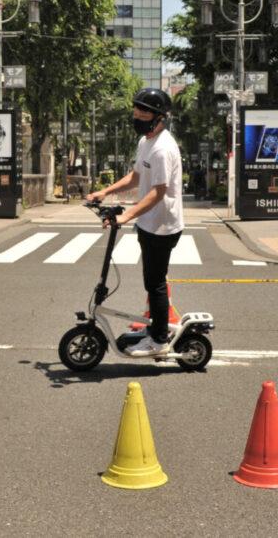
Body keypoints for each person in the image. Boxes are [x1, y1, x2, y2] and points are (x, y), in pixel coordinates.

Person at [86, 88, 183, 355]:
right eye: (136, 109)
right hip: (148, 223)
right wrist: (104, 192)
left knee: (156, 283)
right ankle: (154, 329)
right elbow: (136, 177)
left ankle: (160, 340)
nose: (137, 115)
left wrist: (126, 216)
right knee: (151, 280)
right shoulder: (145, 142)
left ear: (159, 117)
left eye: (144, 111)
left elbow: (158, 191)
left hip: (163, 225)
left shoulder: (163, 148)